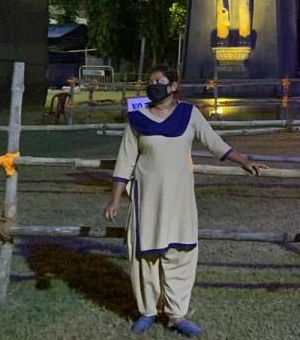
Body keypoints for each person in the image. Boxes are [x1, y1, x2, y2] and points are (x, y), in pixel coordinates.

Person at [103, 66, 267, 337]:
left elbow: (215, 144)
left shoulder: (189, 114)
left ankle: (176, 315)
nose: (153, 85)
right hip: (147, 201)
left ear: (173, 86)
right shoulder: (136, 120)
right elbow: (124, 162)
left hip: (179, 201)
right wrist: (114, 200)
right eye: (150, 81)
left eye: (159, 81)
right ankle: (148, 311)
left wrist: (244, 162)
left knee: (180, 254)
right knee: (145, 257)